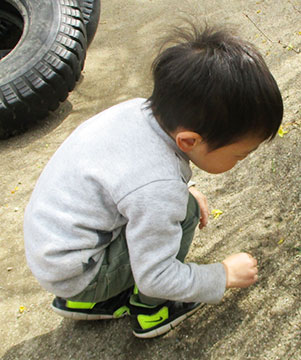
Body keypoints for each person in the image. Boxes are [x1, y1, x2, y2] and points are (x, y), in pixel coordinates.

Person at [23, 23, 283, 339]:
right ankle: (151, 311)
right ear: (188, 141)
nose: (242, 160)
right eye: (239, 154)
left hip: (54, 249)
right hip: (80, 272)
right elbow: (156, 275)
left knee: (176, 202)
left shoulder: (137, 111)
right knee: (183, 213)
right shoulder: (159, 188)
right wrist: (221, 275)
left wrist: (185, 185)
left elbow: (124, 172)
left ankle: (86, 302)